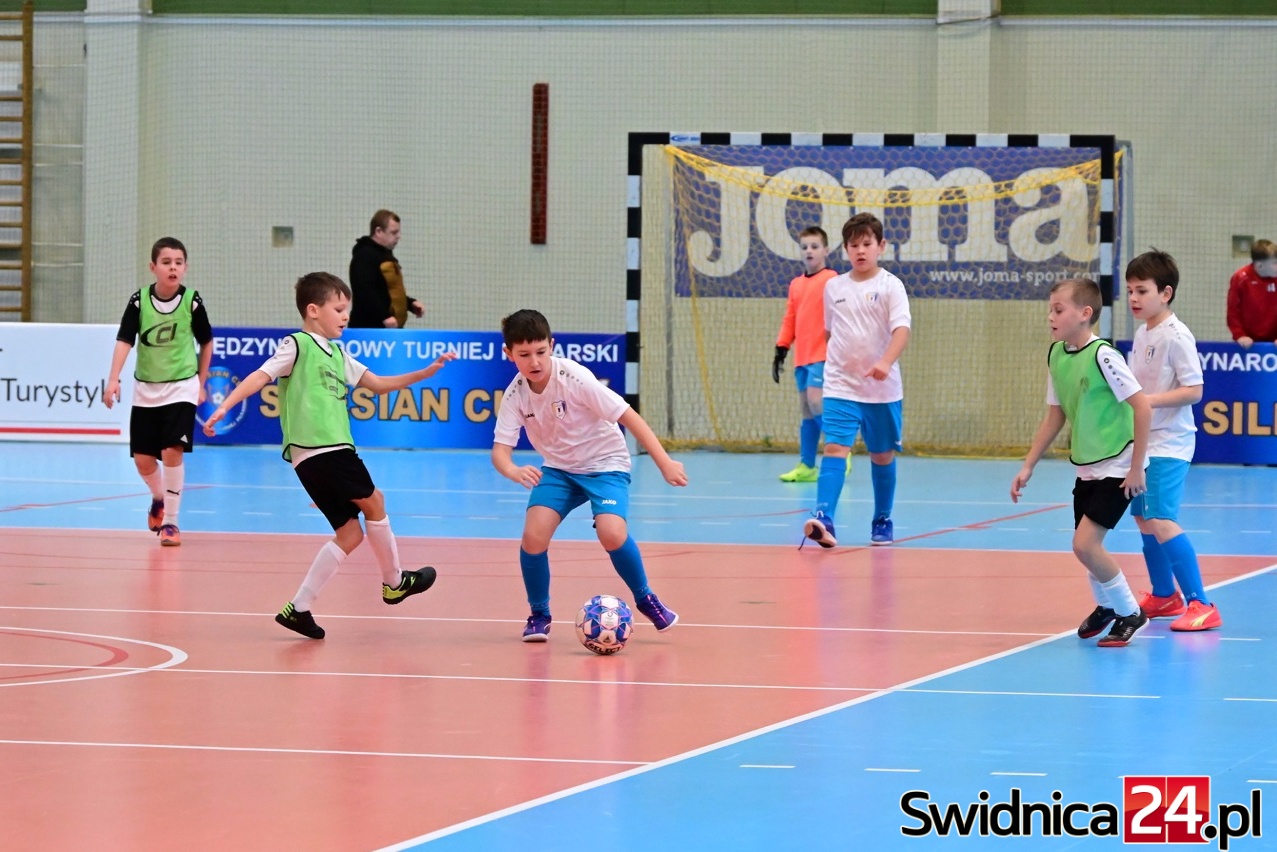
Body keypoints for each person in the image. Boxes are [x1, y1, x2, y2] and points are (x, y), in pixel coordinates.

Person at [202, 272, 453, 639]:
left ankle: (299, 608)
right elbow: (260, 376)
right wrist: (225, 406)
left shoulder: (338, 354)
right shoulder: (298, 344)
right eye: (338, 308)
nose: (345, 316)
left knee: (350, 533)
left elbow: (377, 384)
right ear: (313, 310)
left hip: (312, 458)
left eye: (346, 309)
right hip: (324, 447)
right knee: (375, 501)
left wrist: (425, 373)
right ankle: (394, 582)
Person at [492, 308, 688, 642]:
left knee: (611, 533)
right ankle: (539, 614)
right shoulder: (515, 395)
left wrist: (664, 462)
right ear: (509, 354)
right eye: (524, 355)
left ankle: (646, 599)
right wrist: (512, 469)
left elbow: (628, 416)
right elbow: (500, 451)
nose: (534, 361)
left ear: (552, 345)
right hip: (559, 469)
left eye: (541, 351)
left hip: (605, 465)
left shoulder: (574, 377)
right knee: (533, 536)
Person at [1011, 277, 1152, 648]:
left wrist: (1136, 467)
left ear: (1085, 313)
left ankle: (1130, 612)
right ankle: (1107, 607)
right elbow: (1054, 416)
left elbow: (1143, 407)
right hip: (1087, 465)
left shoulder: (1104, 356)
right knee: (1086, 548)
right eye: (1050, 310)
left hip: (1119, 465)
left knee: (1085, 545)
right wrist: (1028, 465)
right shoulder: (1057, 354)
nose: (1050, 317)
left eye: (1058, 310)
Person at [802, 213, 910, 548]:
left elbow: (902, 330)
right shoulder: (834, 287)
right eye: (853, 245)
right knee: (835, 448)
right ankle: (824, 518)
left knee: (882, 455)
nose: (860, 250)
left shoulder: (891, 286)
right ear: (846, 249)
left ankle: (882, 519)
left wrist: (885, 362)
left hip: (881, 390)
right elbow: (830, 331)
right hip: (841, 386)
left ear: (881, 246)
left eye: (867, 244)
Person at [1126, 249, 1221, 632]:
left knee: (1161, 519)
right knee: (1143, 518)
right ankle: (1165, 595)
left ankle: (1202, 603)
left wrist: (1148, 402)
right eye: (1130, 291)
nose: (1134, 298)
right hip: (1142, 443)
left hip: (1169, 442)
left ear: (1165, 293)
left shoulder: (1177, 336)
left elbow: (1195, 390)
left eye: (1142, 291)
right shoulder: (1142, 332)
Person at [104, 237, 214, 547]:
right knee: (143, 460)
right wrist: (113, 379)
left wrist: (200, 382)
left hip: (181, 387)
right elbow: (125, 340)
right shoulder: (139, 301)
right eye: (166, 262)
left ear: (185, 267)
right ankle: (158, 497)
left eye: (178, 262)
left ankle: (171, 523)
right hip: (146, 389)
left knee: (171, 451)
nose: (173, 268)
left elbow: (207, 342)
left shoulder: (192, 301)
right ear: (153, 267)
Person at [773, 226, 840, 482]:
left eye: (814, 246)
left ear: (826, 250)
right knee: (806, 410)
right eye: (804, 247)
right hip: (802, 356)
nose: (809, 251)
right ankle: (807, 465)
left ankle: (839, 450)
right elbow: (790, 317)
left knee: (816, 400)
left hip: (823, 355)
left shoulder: (832, 280)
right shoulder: (796, 284)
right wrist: (781, 347)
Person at [348, 209, 424, 329]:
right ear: (378, 231)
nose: (398, 236)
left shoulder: (386, 256)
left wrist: (410, 304)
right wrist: (384, 316)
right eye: (394, 232)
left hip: (387, 329)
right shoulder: (364, 256)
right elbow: (365, 291)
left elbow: (389, 291)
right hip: (369, 329)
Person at [1226, 239, 1277, 348]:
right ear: (1260, 266)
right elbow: (1233, 311)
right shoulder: (1240, 278)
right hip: (1247, 343)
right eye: (1274, 263)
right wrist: (1240, 335)